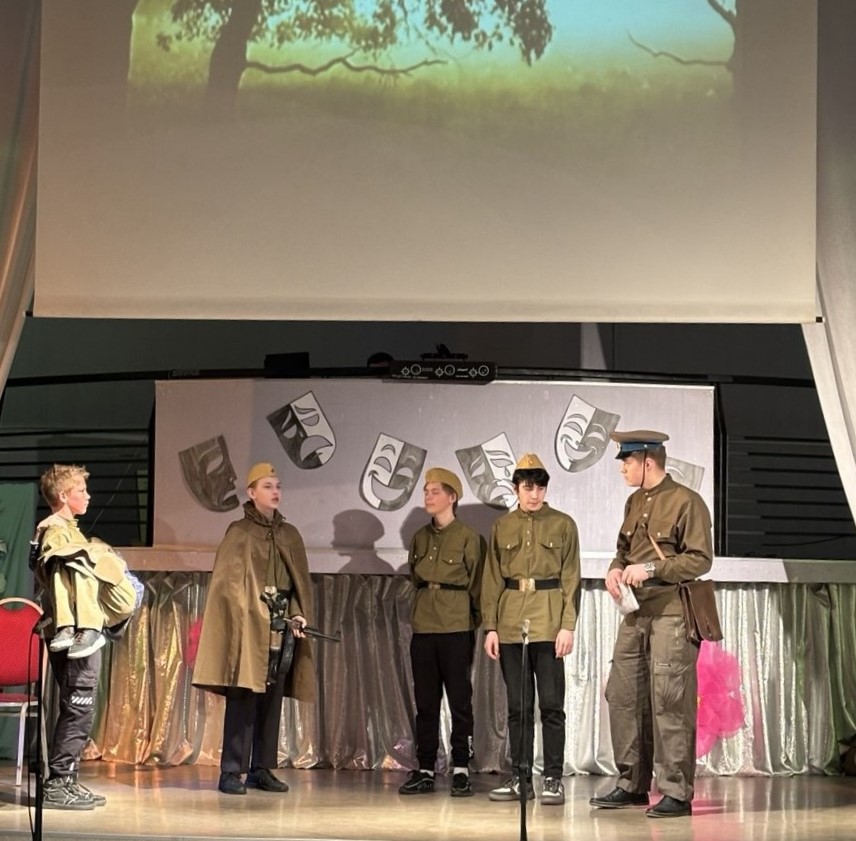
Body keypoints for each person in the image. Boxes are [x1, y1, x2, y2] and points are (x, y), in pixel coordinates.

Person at [589, 430, 713, 819]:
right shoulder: (634, 502)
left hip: (671, 612)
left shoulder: (687, 502)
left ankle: (676, 791)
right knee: (624, 695)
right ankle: (631, 783)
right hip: (635, 613)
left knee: (669, 700)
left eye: (627, 462)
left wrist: (652, 568)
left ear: (648, 462)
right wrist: (615, 569)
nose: (623, 469)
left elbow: (700, 559)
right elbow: (623, 550)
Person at [192, 462, 315, 795]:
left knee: (272, 698)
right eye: (267, 486)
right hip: (249, 629)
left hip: (280, 627)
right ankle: (232, 770)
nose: (275, 491)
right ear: (251, 492)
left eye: (277, 486)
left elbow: (298, 583)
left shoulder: (290, 535)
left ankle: (262, 767)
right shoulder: (239, 532)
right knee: (243, 696)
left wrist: (297, 613)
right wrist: (254, 611)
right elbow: (228, 587)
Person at [34, 464, 139, 810]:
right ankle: (57, 783)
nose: (88, 496)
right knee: (77, 706)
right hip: (75, 633)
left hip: (83, 630)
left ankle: (68, 779)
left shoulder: (70, 531)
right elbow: (59, 575)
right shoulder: (54, 531)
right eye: (81, 490)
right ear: (64, 496)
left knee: (81, 707)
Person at [481, 453, 581, 806]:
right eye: (528, 487)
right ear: (516, 489)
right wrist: (491, 627)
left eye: (540, 487)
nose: (534, 494)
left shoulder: (563, 524)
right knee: (518, 706)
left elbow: (571, 578)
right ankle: (521, 778)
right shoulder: (502, 526)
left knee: (551, 705)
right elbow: (492, 578)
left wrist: (567, 625)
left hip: (549, 623)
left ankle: (553, 778)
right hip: (511, 623)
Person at [398, 468, 486, 798]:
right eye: (426, 491)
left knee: (460, 701)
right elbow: (415, 577)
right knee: (426, 702)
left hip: (456, 627)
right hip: (424, 627)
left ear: (452, 497)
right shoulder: (420, 538)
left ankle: (461, 768)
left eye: (435, 491)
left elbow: (477, 585)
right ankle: (425, 768)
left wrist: (471, 622)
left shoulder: (469, 538)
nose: (428, 496)